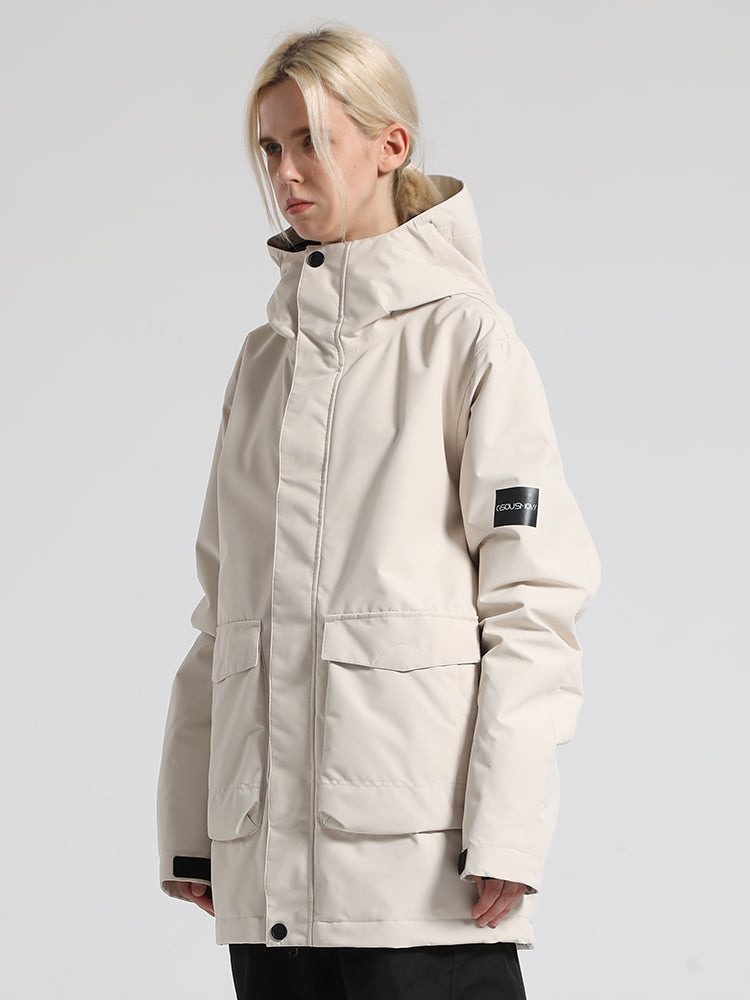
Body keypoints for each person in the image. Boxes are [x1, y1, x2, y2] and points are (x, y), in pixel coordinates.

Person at [156, 21, 601, 1000]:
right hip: (270, 871)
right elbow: (224, 610)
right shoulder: (263, 364)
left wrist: (509, 827)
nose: (286, 172)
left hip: (421, 872)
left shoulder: (468, 342)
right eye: (270, 148)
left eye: (312, 140)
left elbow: (534, 603)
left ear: (390, 145)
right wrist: (195, 827)